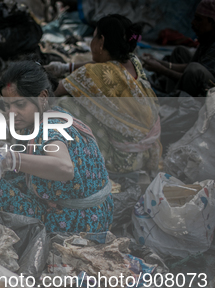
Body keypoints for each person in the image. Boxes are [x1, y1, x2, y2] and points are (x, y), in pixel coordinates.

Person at [0, 61, 113, 234]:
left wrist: (10, 159)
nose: (12, 112)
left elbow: (65, 168)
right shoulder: (56, 113)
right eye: (7, 106)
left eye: (20, 105)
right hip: (99, 212)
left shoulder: (51, 129)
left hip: (76, 221)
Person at [51, 14, 161, 175]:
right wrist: (66, 67)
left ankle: (70, 163)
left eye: (94, 36)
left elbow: (52, 92)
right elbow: (102, 64)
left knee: (62, 105)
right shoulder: (133, 62)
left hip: (121, 160)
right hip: (147, 153)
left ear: (101, 42)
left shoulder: (92, 74)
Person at [143, 0, 215, 96]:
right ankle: (172, 93)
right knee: (180, 52)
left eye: (199, 19)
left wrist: (161, 69)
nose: (193, 22)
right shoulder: (209, 37)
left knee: (194, 69)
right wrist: (158, 62)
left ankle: (178, 102)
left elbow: (192, 75)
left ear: (213, 22)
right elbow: (190, 66)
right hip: (205, 78)